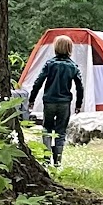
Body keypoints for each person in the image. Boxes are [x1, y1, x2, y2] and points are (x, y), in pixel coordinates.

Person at [27, 36, 86, 166]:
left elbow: (38, 82)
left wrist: (31, 99)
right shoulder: (73, 66)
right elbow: (79, 87)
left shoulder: (50, 64)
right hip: (64, 102)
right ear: (70, 49)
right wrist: (78, 104)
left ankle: (46, 159)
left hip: (49, 101)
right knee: (61, 131)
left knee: (47, 128)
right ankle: (57, 161)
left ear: (55, 48)